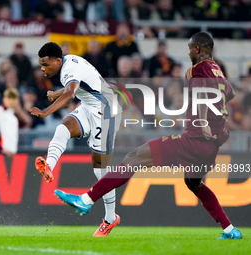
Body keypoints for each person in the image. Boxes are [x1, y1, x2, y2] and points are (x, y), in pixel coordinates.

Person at [55, 32, 243, 240]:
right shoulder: (218, 71)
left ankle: (87, 199)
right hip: (212, 146)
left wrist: (204, 120)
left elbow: (200, 96)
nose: (188, 52)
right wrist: (217, 125)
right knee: (194, 183)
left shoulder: (195, 70)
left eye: (190, 48)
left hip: (193, 141)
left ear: (198, 49)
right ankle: (229, 229)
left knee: (135, 157)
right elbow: (230, 94)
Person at [30, 42, 122, 237]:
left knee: (100, 171)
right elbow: (77, 86)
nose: (42, 69)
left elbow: (72, 93)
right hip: (90, 107)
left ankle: (110, 219)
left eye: (45, 64)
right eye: (40, 64)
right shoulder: (68, 64)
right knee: (63, 129)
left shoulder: (68, 69)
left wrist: (46, 112)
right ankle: (49, 166)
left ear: (57, 61)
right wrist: (57, 93)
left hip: (106, 113)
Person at [0, 88, 20, 157]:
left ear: (17, 101)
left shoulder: (14, 118)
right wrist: (0, 150)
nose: (11, 101)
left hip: (11, 155)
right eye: (9, 98)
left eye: (13, 98)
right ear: (4, 99)